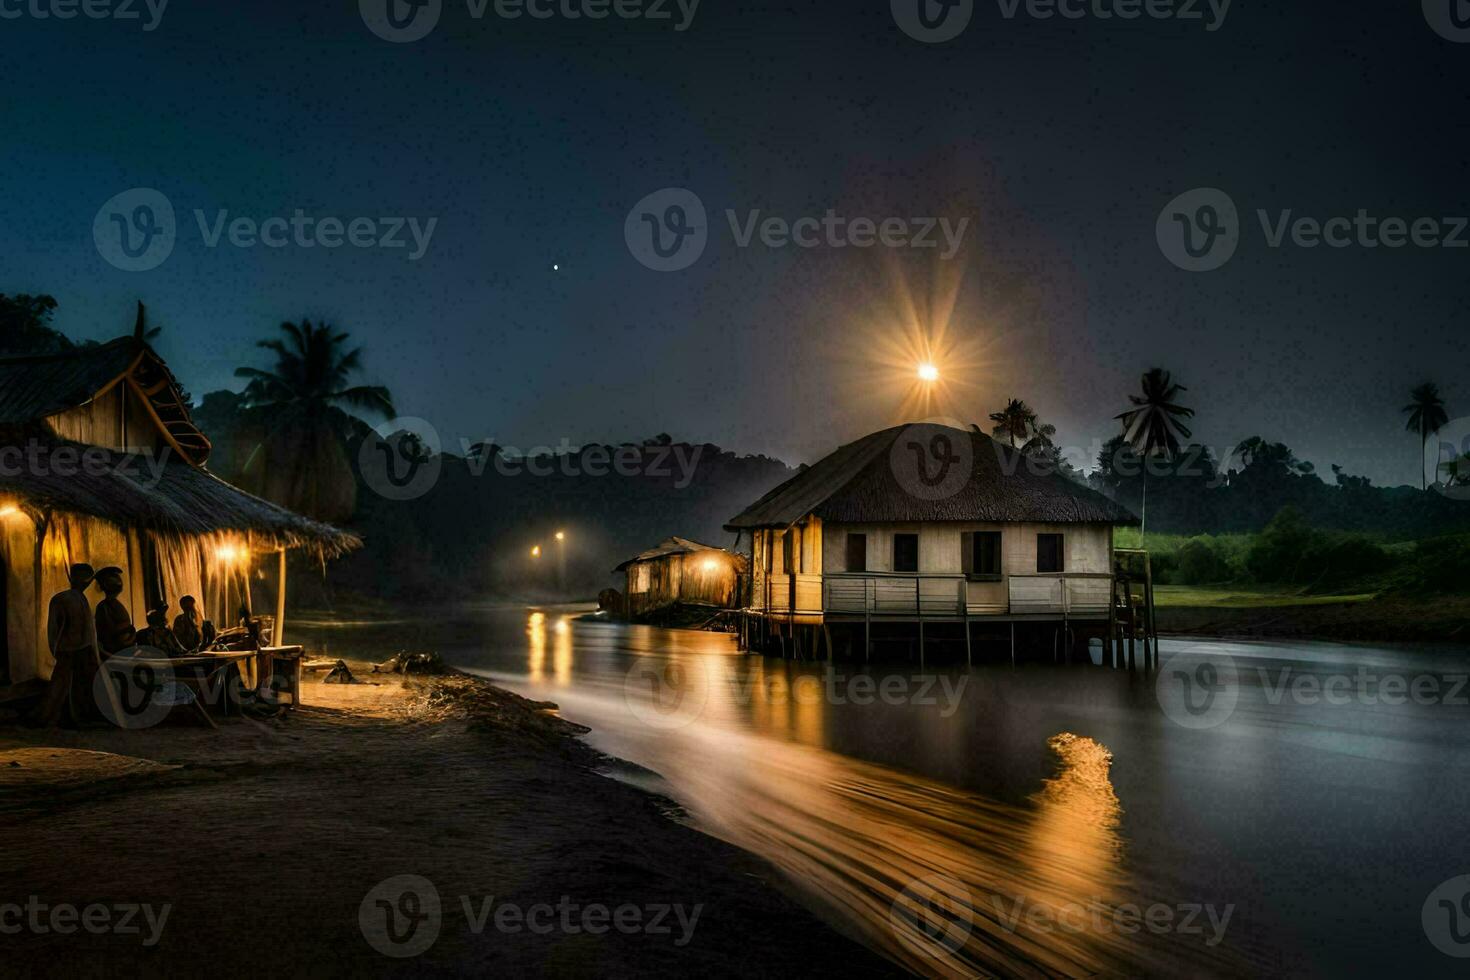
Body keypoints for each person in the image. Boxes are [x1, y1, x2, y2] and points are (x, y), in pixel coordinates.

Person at [33, 564, 98, 728]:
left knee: (78, 685)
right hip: (69, 649)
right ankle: (51, 717)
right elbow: (54, 628)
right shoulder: (62, 599)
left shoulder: (78, 598)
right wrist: (56, 648)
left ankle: (73, 717)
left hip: (80, 648)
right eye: (84, 578)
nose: (87, 583)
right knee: (62, 685)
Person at [93, 566, 136, 655]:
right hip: (115, 651)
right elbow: (107, 633)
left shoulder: (112, 605)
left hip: (124, 649)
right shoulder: (104, 607)